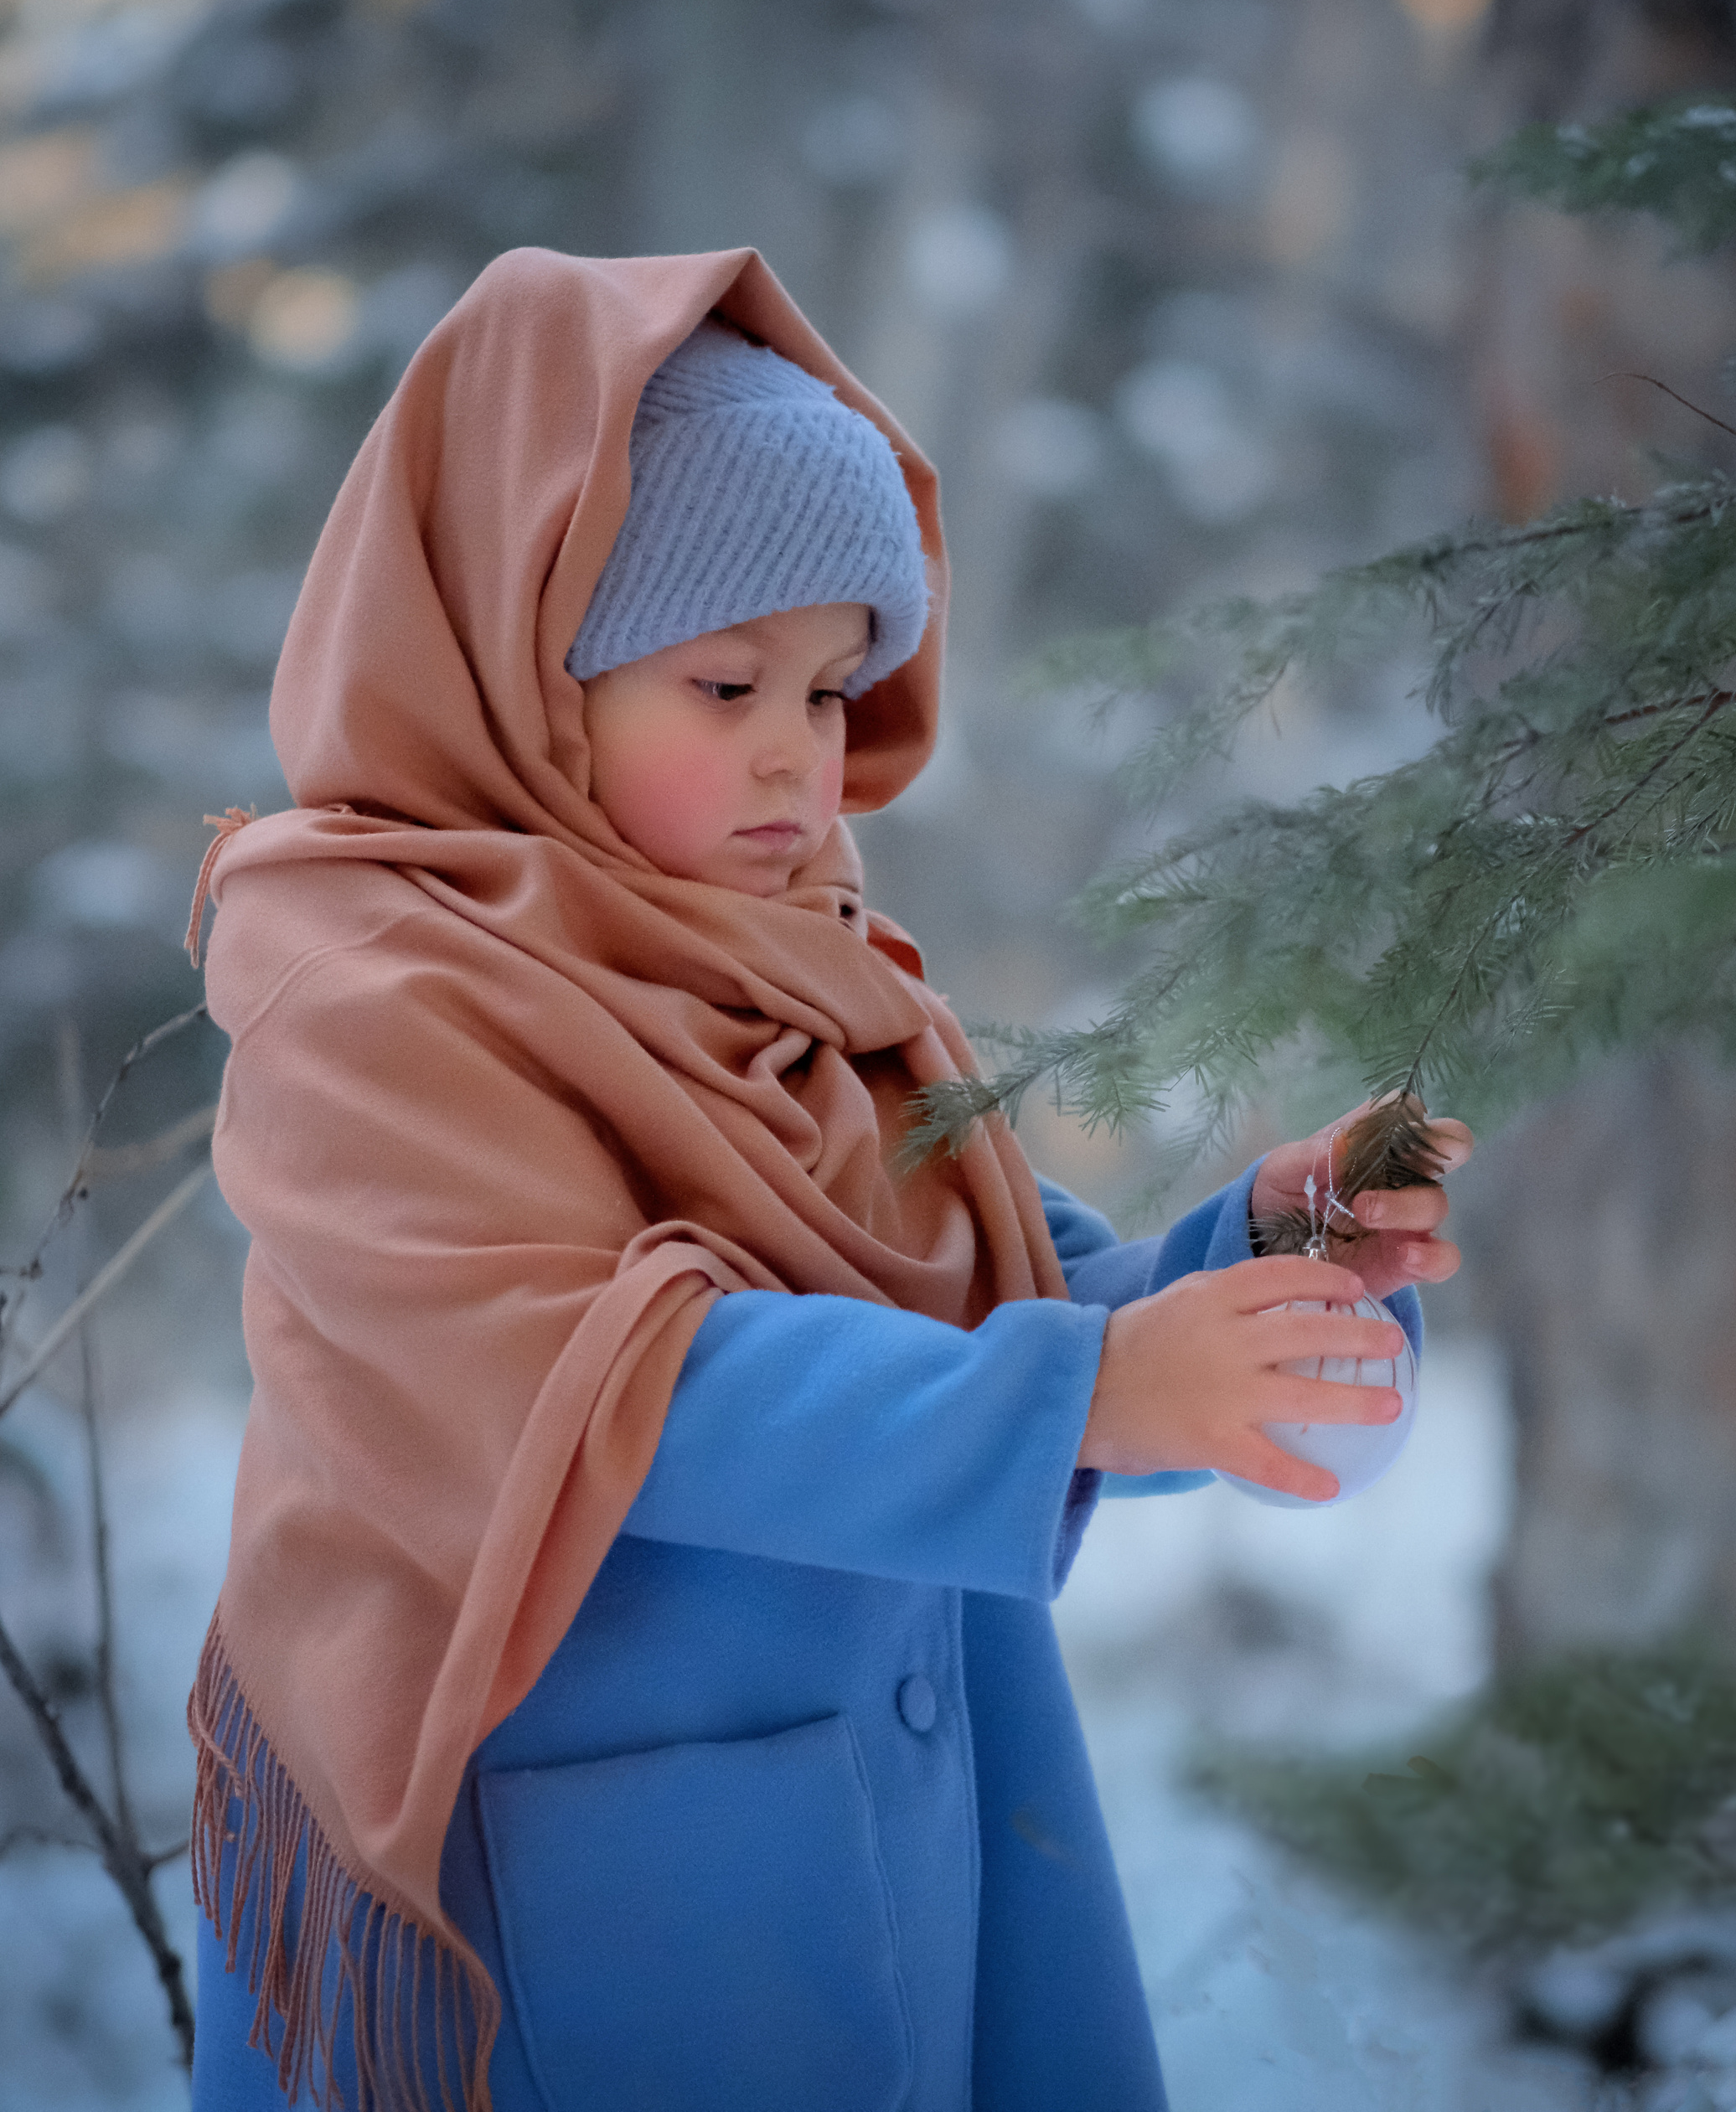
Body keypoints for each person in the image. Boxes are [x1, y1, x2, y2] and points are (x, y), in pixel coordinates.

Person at [184, 246, 1468, 2112]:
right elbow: (614, 1383)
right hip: (589, 1885)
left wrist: (1253, 1265)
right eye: (723, 683)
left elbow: (990, 1305)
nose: (802, 754)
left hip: (896, 1842)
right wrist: (1095, 1386)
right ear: (524, 669)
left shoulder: (808, 960)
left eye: (829, 683)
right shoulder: (376, 1000)